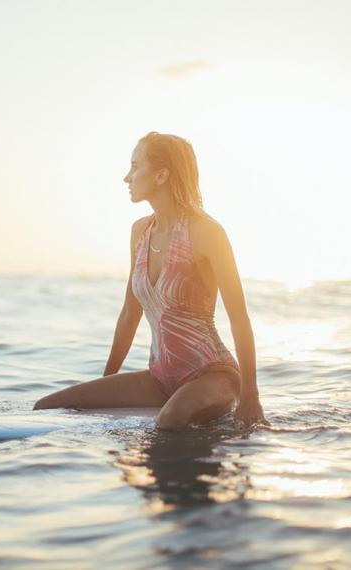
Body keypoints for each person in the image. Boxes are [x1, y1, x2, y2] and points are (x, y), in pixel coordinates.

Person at [34, 132, 268, 430]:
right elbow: (130, 314)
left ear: (161, 175)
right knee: (48, 407)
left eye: (134, 166)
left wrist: (250, 396)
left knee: (169, 423)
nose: (126, 177)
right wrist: (107, 385)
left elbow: (239, 317)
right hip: (159, 378)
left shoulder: (207, 233)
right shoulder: (140, 232)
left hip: (213, 376)